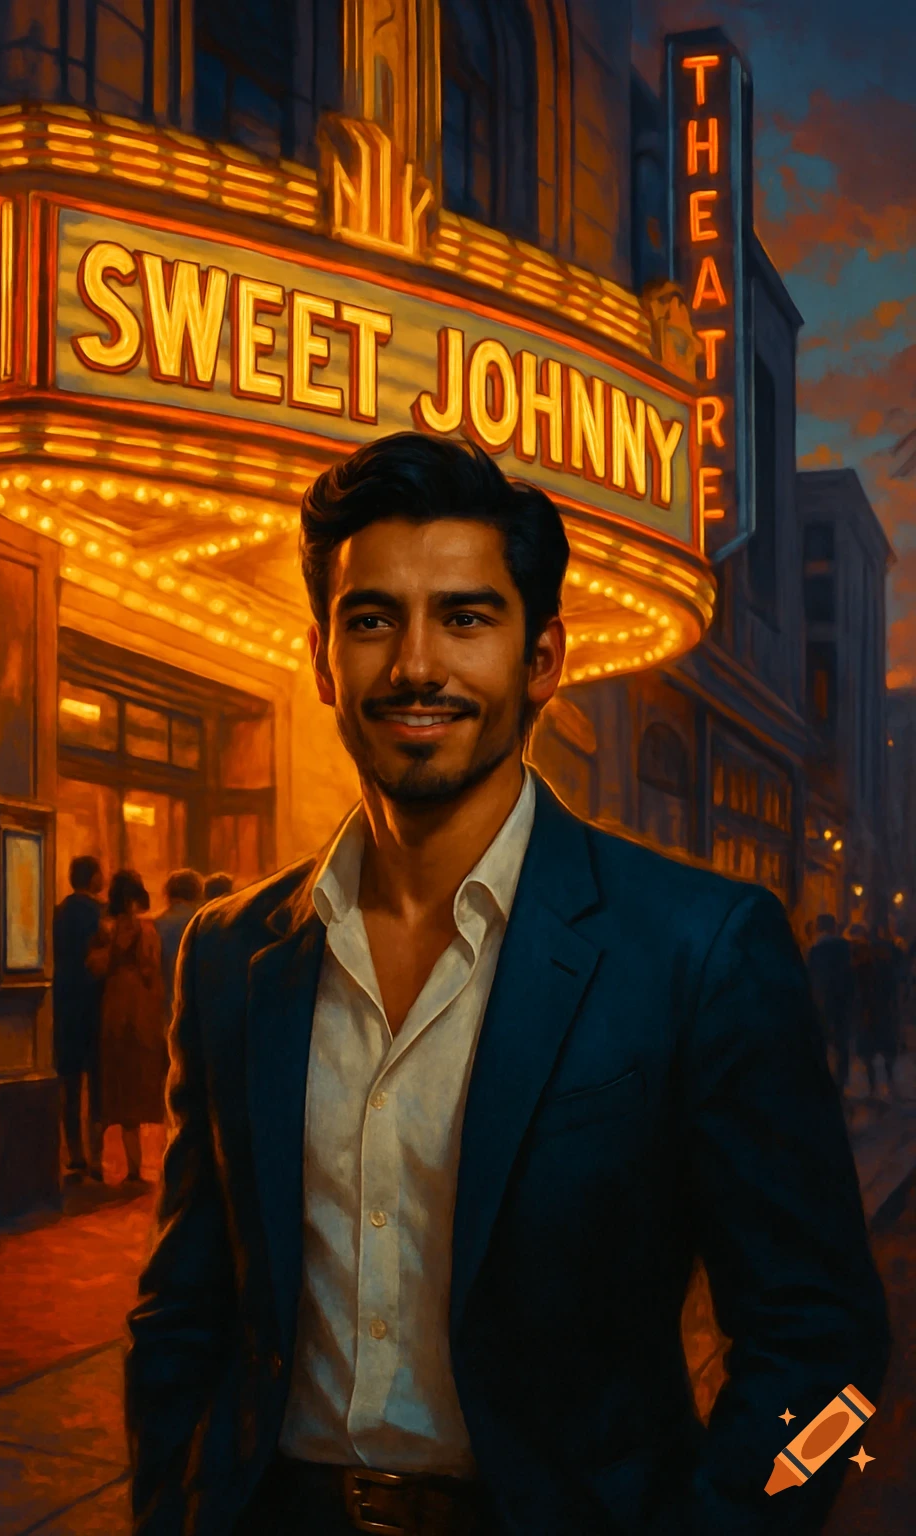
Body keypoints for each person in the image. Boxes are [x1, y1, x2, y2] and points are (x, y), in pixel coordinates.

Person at [126, 433, 890, 1536]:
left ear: (543, 660)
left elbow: (829, 1355)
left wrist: (731, 1522)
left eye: (466, 618)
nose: (416, 665)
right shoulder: (232, 955)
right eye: (373, 617)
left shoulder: (697, 948)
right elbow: (184, 1306)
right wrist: (169, 1502)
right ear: (319, 654)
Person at [88, 868, 167, 1184]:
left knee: (115, 1085)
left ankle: (105, 1161)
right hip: (139, 1012)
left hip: (113, 1010)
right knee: (140, 1084)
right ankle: (137, 1167)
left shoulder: (104, 931)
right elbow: (151, 969)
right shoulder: (145, 932)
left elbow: (95, 967)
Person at [52, 855, 105, 1181]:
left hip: (64, 998)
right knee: (97, 1082)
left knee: (69, 1083)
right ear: (94, 878)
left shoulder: (59, 911)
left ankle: (74, 1153)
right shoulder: (97, 914)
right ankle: (96, 1156)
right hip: (94, 1001)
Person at [806, 913, 855, 1095]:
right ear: (834, 927)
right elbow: (851, 975)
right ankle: (841, 1081)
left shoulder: (814, 950)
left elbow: (808, 978)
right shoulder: (844, 947)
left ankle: (822, 1082)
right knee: (842, 1043)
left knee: (822, 1042)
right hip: (841, 1000)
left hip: (821, 1002)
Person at [154, 869, 204, 1015]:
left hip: (163, 1002)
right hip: (195, 1000)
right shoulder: (202, 922)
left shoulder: (155, 924)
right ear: (197, 893)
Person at [871, 926, 905, 1098]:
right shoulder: (885, 969)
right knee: (884, 1046)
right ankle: (882, 1083)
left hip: (878, 1010)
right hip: (879, 1010)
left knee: (883, 1046)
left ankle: (878, 1085)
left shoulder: (874, 969)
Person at [848, 923, 880, 1097]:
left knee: (864, 1048)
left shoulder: (860, 963)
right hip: (863, 1006)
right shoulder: (869, 960)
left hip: (863, 1006)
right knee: (863, 1048)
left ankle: (869, 1086)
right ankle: (870, 1086)